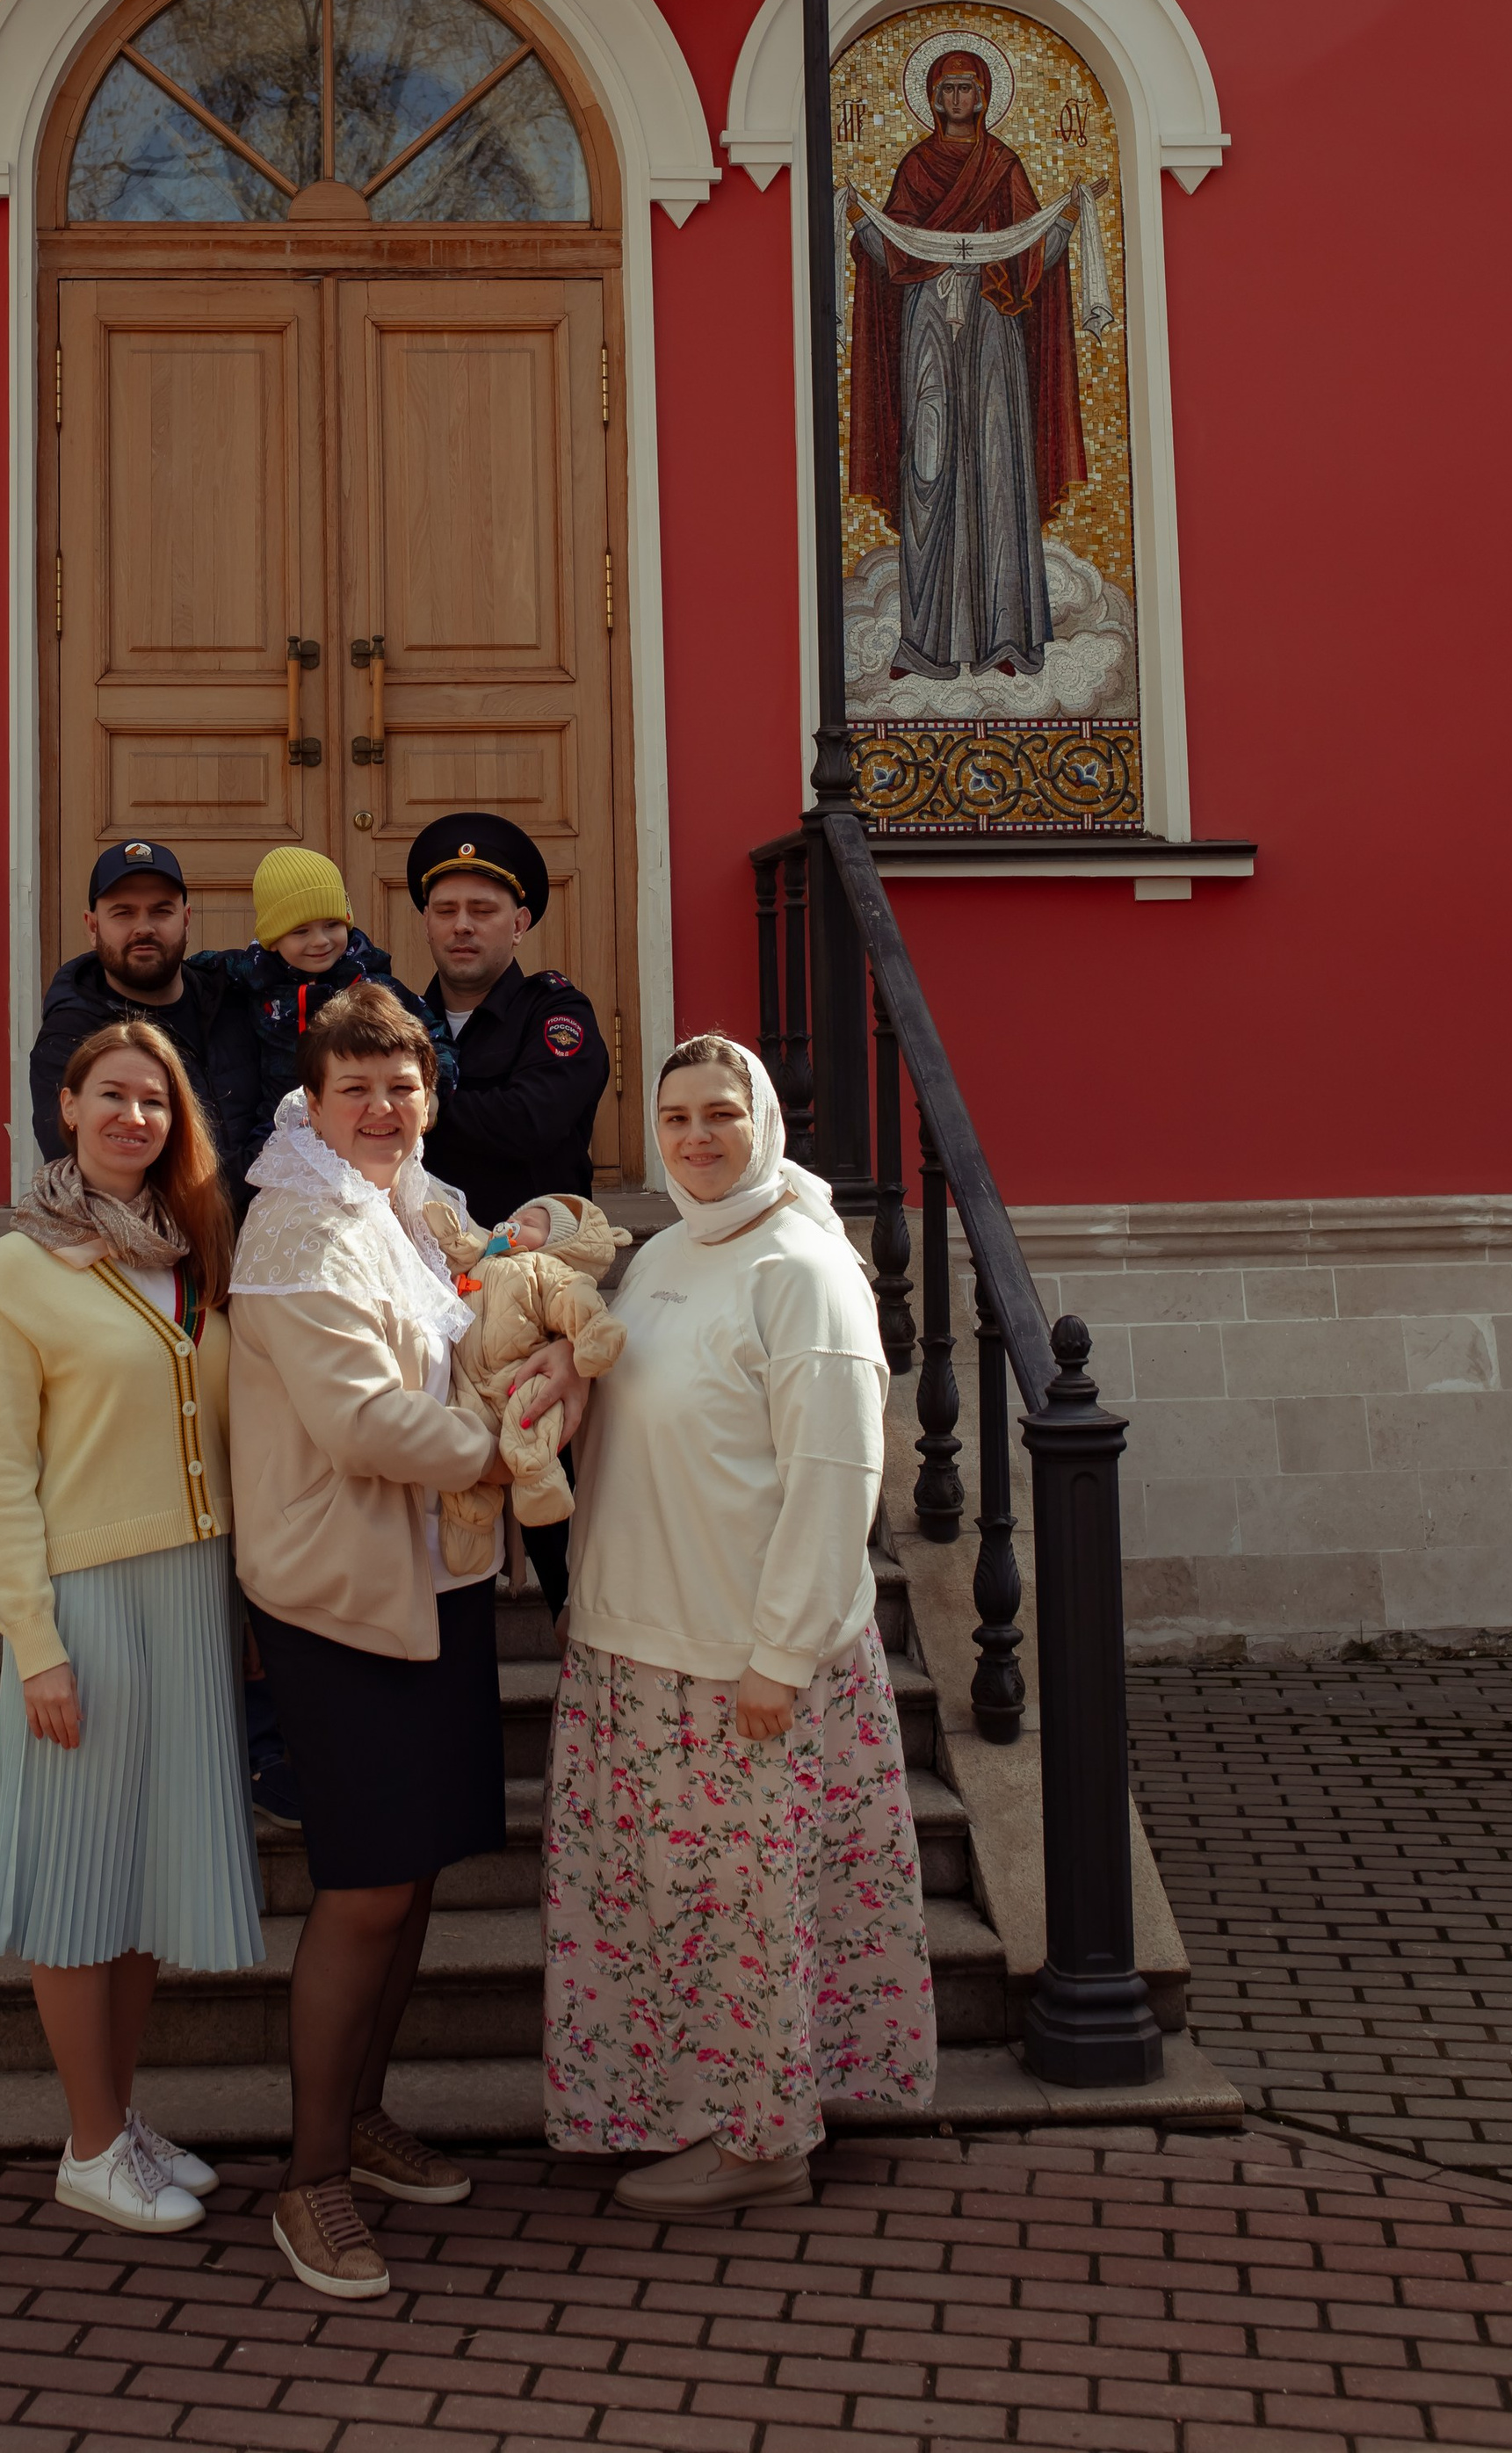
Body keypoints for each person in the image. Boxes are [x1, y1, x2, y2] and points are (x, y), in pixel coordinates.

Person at [227, 984, 590, 2302]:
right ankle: (308, 2174)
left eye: (404, 1087)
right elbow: (362, 1421)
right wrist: (513, 1443)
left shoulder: (418, 1208)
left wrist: (555, 1350)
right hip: (338, 1591)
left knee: (420, 1871)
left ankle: (364, 2118)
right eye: (358, 1090)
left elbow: (507, 1291)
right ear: (313, 1103)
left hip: (433, 1574)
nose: (385, 1111)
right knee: (367, 1884)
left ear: (430, 1096)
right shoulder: (294, 1228)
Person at [544, 1031, 936, 2210]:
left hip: (740, 1665)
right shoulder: (662, 1256)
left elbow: (834, 1477)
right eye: (677, 1119)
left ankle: (764, 2145)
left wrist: (782, 1656)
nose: (699, 1138)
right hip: (637, 1646)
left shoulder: (802, 1272)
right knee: (666, 1914)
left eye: (722, 1113)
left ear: (765, 1123)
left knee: (741, 1915)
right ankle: (689, 2107)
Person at [0, 1020, 265, 2236]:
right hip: (87, 1598)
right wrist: (35, 1643)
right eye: (112, 1096)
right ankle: (87, 2146)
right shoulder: (19, 1264)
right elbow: (0, 1469)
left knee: (145, 1878)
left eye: (154, 1099)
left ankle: (118, 2115)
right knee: (81, 1884)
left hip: (194, 1588)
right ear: (69, 1107)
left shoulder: (195, 1251)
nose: (133, 1117)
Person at [409, 814, 610, 1621]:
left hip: (534, 1303)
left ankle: (584, 1655)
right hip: (427, 1283)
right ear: (425, 918)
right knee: (441, 1494)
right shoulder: (397, 1015)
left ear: (519, 923)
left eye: (483, 910)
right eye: (446, 908)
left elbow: (533, 1120)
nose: (462, 925)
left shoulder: (556, 1016)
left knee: (556, 1503)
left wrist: (419, 1105)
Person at [843, 43, 1089, 682]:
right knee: (928, 466)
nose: (957, 100)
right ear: (931, 97)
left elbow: (1029, 252)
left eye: (967, 88)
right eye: (947, 88)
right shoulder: (915, 165)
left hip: (991, 322)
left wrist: (1062, 221)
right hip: (927, 321)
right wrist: (861, 222)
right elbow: (893, 249)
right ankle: (923, 642)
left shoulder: (1002, 165)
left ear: (984, 96)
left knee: (997, 464)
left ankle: (1006, 639)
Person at [28, 841, 260, 1194]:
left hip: (268, 1226)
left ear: (185, 920)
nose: (144, 928)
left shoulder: (237, 996)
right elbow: (76, 1161)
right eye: (123, 913)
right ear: (92, 927)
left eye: (161, 911)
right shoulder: (71, 1037)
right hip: (154, 1236)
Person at [213, 845, 445, 1161]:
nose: (320, 940)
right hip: (278, 1127)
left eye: (332, 925)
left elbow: (432, 1036)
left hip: (363, 1125)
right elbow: (189, 971)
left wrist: (433, 1090)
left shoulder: (372, 984)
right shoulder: (253, 975)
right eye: (301, 931)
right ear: (272, 938)